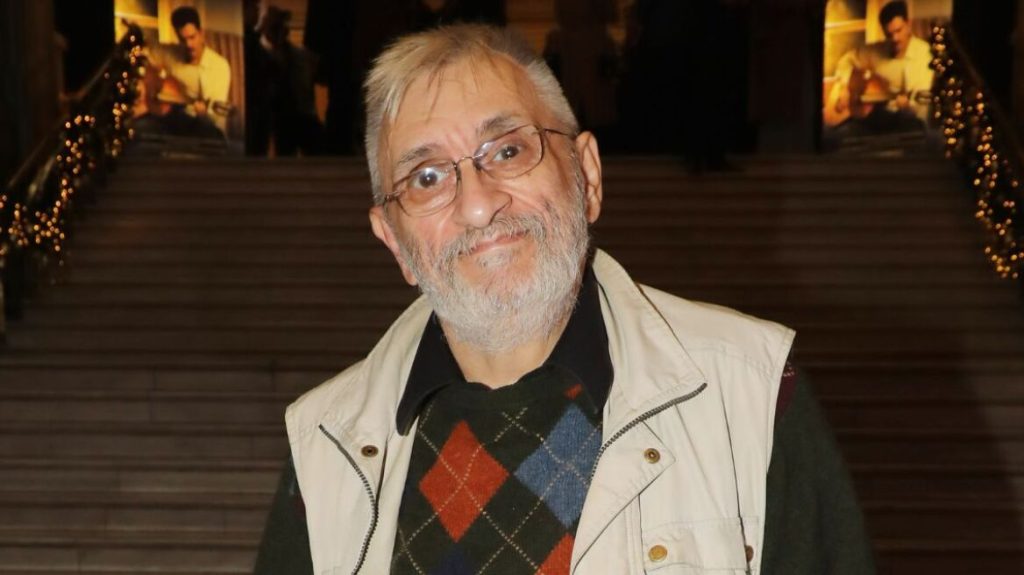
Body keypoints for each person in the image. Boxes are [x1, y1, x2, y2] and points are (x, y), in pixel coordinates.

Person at [254, 24, 875, 575]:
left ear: (587, 176)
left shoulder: (752, 396)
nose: (478, 205)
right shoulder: (326, 447)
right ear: (394, 240)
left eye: (508, 150)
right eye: (427, 177)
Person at [825, 0, 933, 130]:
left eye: (899, 30)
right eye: (889, 34)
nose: (895, 38)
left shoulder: (925, 55)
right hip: (874, 118)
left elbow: (923, 107)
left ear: (908, 24)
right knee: (831, 132)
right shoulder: (877, 51)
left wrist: (909, 107)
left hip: (908, 122)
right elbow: (847, 60)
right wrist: (844, 86)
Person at [143, 6, 232, 138]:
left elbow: (215, 117)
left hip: (208, 129)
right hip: (176, 121)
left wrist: (203, 113)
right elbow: (147, 51)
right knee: (141, 127)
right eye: (183, 39)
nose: (188, 44)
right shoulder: (173, 53)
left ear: (201, 33)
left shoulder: (219, 66)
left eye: (192, 37)